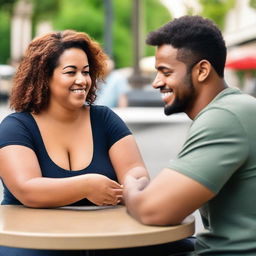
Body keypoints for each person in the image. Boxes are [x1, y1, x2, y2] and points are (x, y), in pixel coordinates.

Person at [0, 30, 148, 256]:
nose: (82, 80)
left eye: (86, 72)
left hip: (102, 238)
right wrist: (87, 185)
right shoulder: (16, 126)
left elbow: (135, 170)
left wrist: (131, 184)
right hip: (32, 242)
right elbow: (27, 190)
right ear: (44, 76)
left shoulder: (104, 118)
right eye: (71, 72)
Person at [123, 15, 256, 255]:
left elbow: (153, 210)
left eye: (165, 72)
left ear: (202, 70)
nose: (156, 83)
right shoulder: (235, 108)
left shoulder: (224, 117)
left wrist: (130, 189)